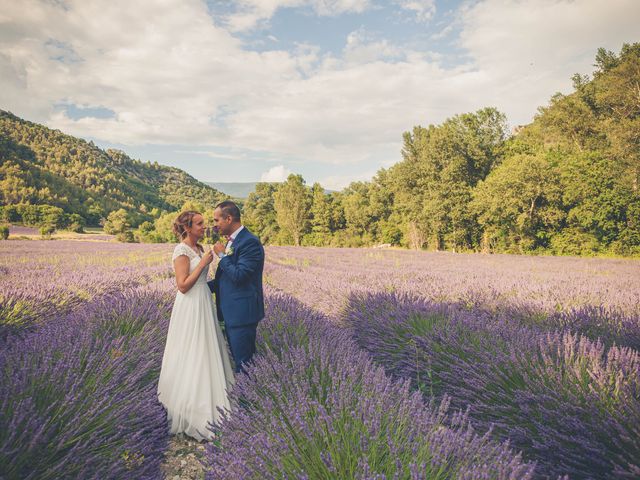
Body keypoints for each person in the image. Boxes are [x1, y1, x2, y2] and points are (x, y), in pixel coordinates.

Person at [157, 210, 234, 441]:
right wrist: (202, 264)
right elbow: (182, 286)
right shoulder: (181, 251)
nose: (204, 227)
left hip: (204, 304)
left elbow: (203, 282)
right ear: (187, 228)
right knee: (191, 350)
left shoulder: (201, 249)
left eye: (204, 223)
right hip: (189, 306)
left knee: (206, 351)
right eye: (199, 224)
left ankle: (211, 402)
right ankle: (189, 410)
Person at [208, 201, 265, 373]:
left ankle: (248, 400)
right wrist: (199, 287)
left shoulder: (249, 242)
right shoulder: (232, 241)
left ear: (229, 218)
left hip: (242, 314)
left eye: (217, 220)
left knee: (245, 365)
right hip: (231, 312)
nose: (215, 225)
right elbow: (225, 279)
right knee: (238, 362)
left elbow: (239, 276)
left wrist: (221, 255)